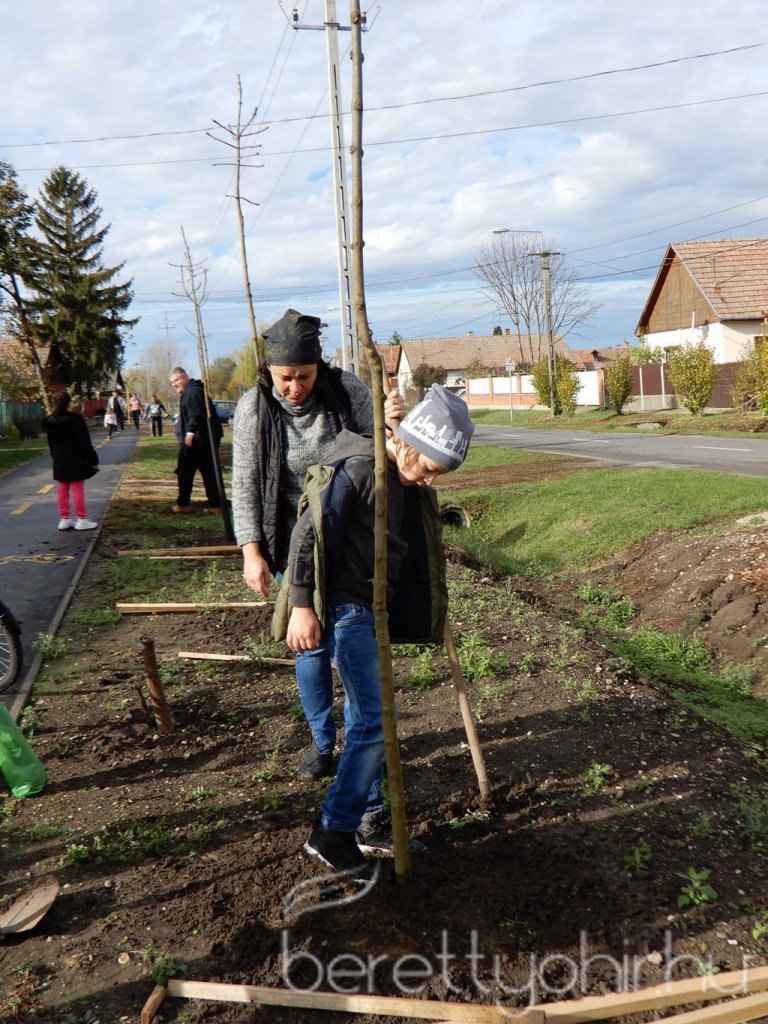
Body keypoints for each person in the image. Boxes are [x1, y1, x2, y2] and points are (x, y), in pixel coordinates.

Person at [280, 385, 474, 878]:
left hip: (373, 612)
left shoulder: (401, 476)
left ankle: (365, 822)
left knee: (376, 719)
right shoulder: (364, 470)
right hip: (348, 612)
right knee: (373, 720)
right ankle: (334, 830)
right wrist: (302, 606)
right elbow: (309, 532)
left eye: (439, 473)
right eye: (429, 466)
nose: (429, 479)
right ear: (408, 443)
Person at [231, 308, 404, 779]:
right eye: (285, 377)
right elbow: (245, 483)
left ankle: (359, 743)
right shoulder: (253, 408)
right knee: (306, 644)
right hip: (291, 540)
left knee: (350, 642)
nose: (294, 387)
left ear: (319, 367)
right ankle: (322, 743)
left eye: (304, 376)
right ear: (268, 371)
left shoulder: (347, 391)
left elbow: (383, 450)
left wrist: (392, 425)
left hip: (352, 541)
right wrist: (252, 552)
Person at [41, 391, 100, 531]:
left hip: (59, 458)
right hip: (76, 458)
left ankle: (65, 519)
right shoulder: (75, 420)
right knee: (77, 489)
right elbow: (84, 442)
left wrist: (55, 458)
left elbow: (51, 444)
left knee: (62, 489)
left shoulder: (50, 421)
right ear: (69, 403)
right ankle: (81, 519)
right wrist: (93, 458)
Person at [169, 368, 223, 512]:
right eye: (172, 382)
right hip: (204, 440)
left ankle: (183, 504)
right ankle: (216, 505)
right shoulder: (193, 390)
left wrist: (190, 433)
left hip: (197, 441)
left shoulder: (192, 392)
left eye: (177, 380)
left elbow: (196, 413)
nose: (175, 384)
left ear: (185, 377)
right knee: (209, 471)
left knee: (185, 471)